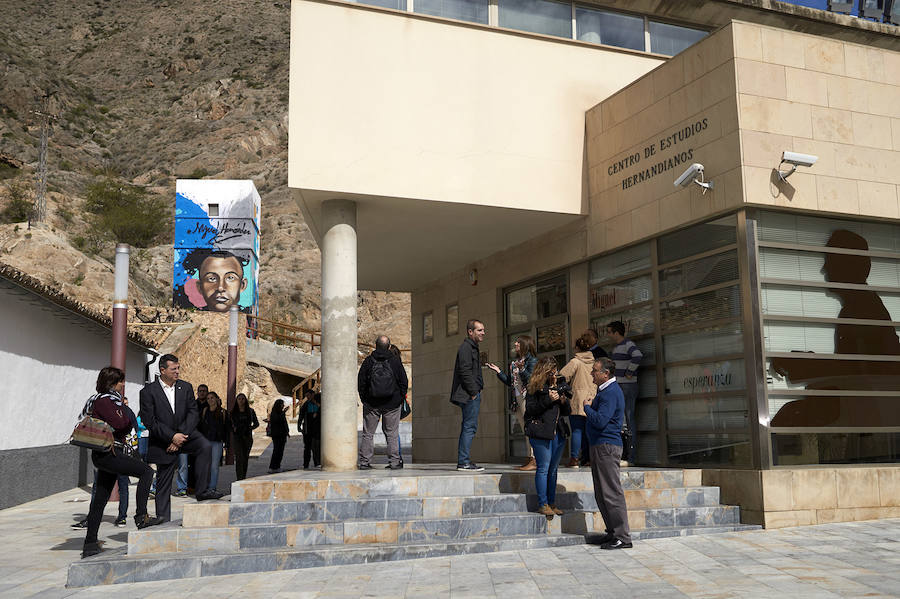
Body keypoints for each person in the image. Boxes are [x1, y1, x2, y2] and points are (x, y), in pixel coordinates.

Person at [81, 367, 163, 558]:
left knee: (100, 498)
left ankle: (90, 543)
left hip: (106, 453)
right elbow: (122, 424)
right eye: (121, 381)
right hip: (109, 452)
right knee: (146, 472)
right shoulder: (107, 401)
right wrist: (126, 416)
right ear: (112, 383)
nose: (123, 384)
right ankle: (141, 517)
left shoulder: (98, 399)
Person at [139, 354, 222, 523]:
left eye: (178, 368)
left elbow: (193, 413)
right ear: (162, 370)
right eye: (173, 369)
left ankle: (201, 491)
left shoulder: (185, 387)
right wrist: (171, 437)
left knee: (205, 446)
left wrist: (180, 436)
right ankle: (163, 518)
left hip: (185, 435)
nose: (177, 372)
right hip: (163, 441)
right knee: (164, 482)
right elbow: (149, 421)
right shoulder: (148, 392)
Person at [585, 357, 632, 549]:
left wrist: (586, 407)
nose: (592, 374)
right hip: (599, 445)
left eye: (595, 371)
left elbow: (601, 420)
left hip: (607, 446)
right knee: (602, 493)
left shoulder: (610, 392)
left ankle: (623, 536)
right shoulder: (604, 391)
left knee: (611, 493)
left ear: (606, 373)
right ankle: (612, 532)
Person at [524, 357, 571, 517]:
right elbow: (530, 410)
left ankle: (552, 503)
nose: (554, 374)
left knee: (553, 470)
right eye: (551, 371)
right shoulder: (534, 387)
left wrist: (563, 400)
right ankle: (542, 503)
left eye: (555, 371)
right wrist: (548, 399)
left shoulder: (559, 386)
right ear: (543, 371)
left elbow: (567, 412)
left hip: (558, 432)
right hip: (541, 433)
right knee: (543, 468)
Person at [486, 335, 538, 471]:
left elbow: (530, 380)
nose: (515, 343)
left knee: (530, 429)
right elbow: (511, 382)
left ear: (525, 345)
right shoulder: (516, 361)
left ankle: (535, 459)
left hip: (528, 398)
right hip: (517, 399)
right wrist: (499, 372)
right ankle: (529, 458)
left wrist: (521, 369)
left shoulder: (532, 360)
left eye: (518, 342)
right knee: (525, 429)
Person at [358, 335, 408, 470]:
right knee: (392, 433)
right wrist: (399, 398)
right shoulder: (395, 361)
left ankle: (364, 462)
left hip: (372, 404)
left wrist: (364, 399)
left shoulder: (368, 361)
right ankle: (394, 462)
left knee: (368, 433)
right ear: (389, 346)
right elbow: (404, 382)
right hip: (392, 404)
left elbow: (361, 382)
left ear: (376, 345)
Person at [450, 319, 486, 472]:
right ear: (470, 332)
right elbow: (464, 371)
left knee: (470, 426)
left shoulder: (473, 347)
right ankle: (463, 462)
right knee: (469, 427)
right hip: (469, 395)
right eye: (479, 330)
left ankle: (464, 461)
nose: (483, 333)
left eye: (483, 330)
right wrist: (473, 392)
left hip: (472, 393)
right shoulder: (466, 348)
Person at [559, 333, 598, 468]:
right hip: (592, 399)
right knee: (589, 431)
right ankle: (589, 459)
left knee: (577, 430)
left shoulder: (575, 362)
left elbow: (562, 376)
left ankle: (574, 459)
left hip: (577, 400)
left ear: (577, 347)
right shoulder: (594, 362)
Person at [606, 320, 642, 465]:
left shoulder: (627, 344)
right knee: (623, 420)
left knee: (628, 418)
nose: (608, 335)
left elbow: (638, 356)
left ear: (616, 332)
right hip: (621, 385)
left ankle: (630, 457)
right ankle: (625, 455)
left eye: (609, 332)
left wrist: (629, 372)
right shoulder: (617, 347)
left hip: (627, 385)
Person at [199, 391, 229, 491]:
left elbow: (227, 429)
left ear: (216, 399)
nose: (210, 400)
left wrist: (226, 443)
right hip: (206, 442)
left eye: (212, 398)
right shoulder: (204, 411)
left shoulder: (223, 412)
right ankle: (205, 486)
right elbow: (201, 427)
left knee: (214, 466)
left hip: (217, 442)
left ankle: (212, 487)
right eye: (208, 398)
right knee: (205, 466)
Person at [231, 392, 259, 480]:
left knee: (245, 458)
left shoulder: (250, 411)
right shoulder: (233, 412)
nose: (241, 401)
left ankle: (243, 476)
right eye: (239, 399)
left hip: (247, 437)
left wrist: (250, 428)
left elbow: (256, 423)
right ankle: (239, 477)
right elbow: (229, 424)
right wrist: (234, 429)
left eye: (243, 399)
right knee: (239, 458)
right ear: (236, 400)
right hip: (237, 437)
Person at [298, 391, 322, 469]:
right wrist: (299, 426)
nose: (307, 397)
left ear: (312, 395)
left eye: (308, 395)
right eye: (306, 396)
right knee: (307, 448)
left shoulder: (319, 404)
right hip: (308, 429)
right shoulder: (306, 404)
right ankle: (306, 464)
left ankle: (317, 463)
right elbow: (301, 415)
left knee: (316, 447)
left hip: (317, 430)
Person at [267, 398, 289, 473]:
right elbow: (277, 420)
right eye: (282, 404)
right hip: (277, 435)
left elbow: (284, 423)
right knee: (277, 451)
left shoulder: (280, 412)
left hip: (282, 434)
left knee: (280, 451)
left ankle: (277, 466)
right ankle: (273, 466)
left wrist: (287, 432)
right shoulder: (274, 413)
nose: (283, 405)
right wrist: (283, 412)